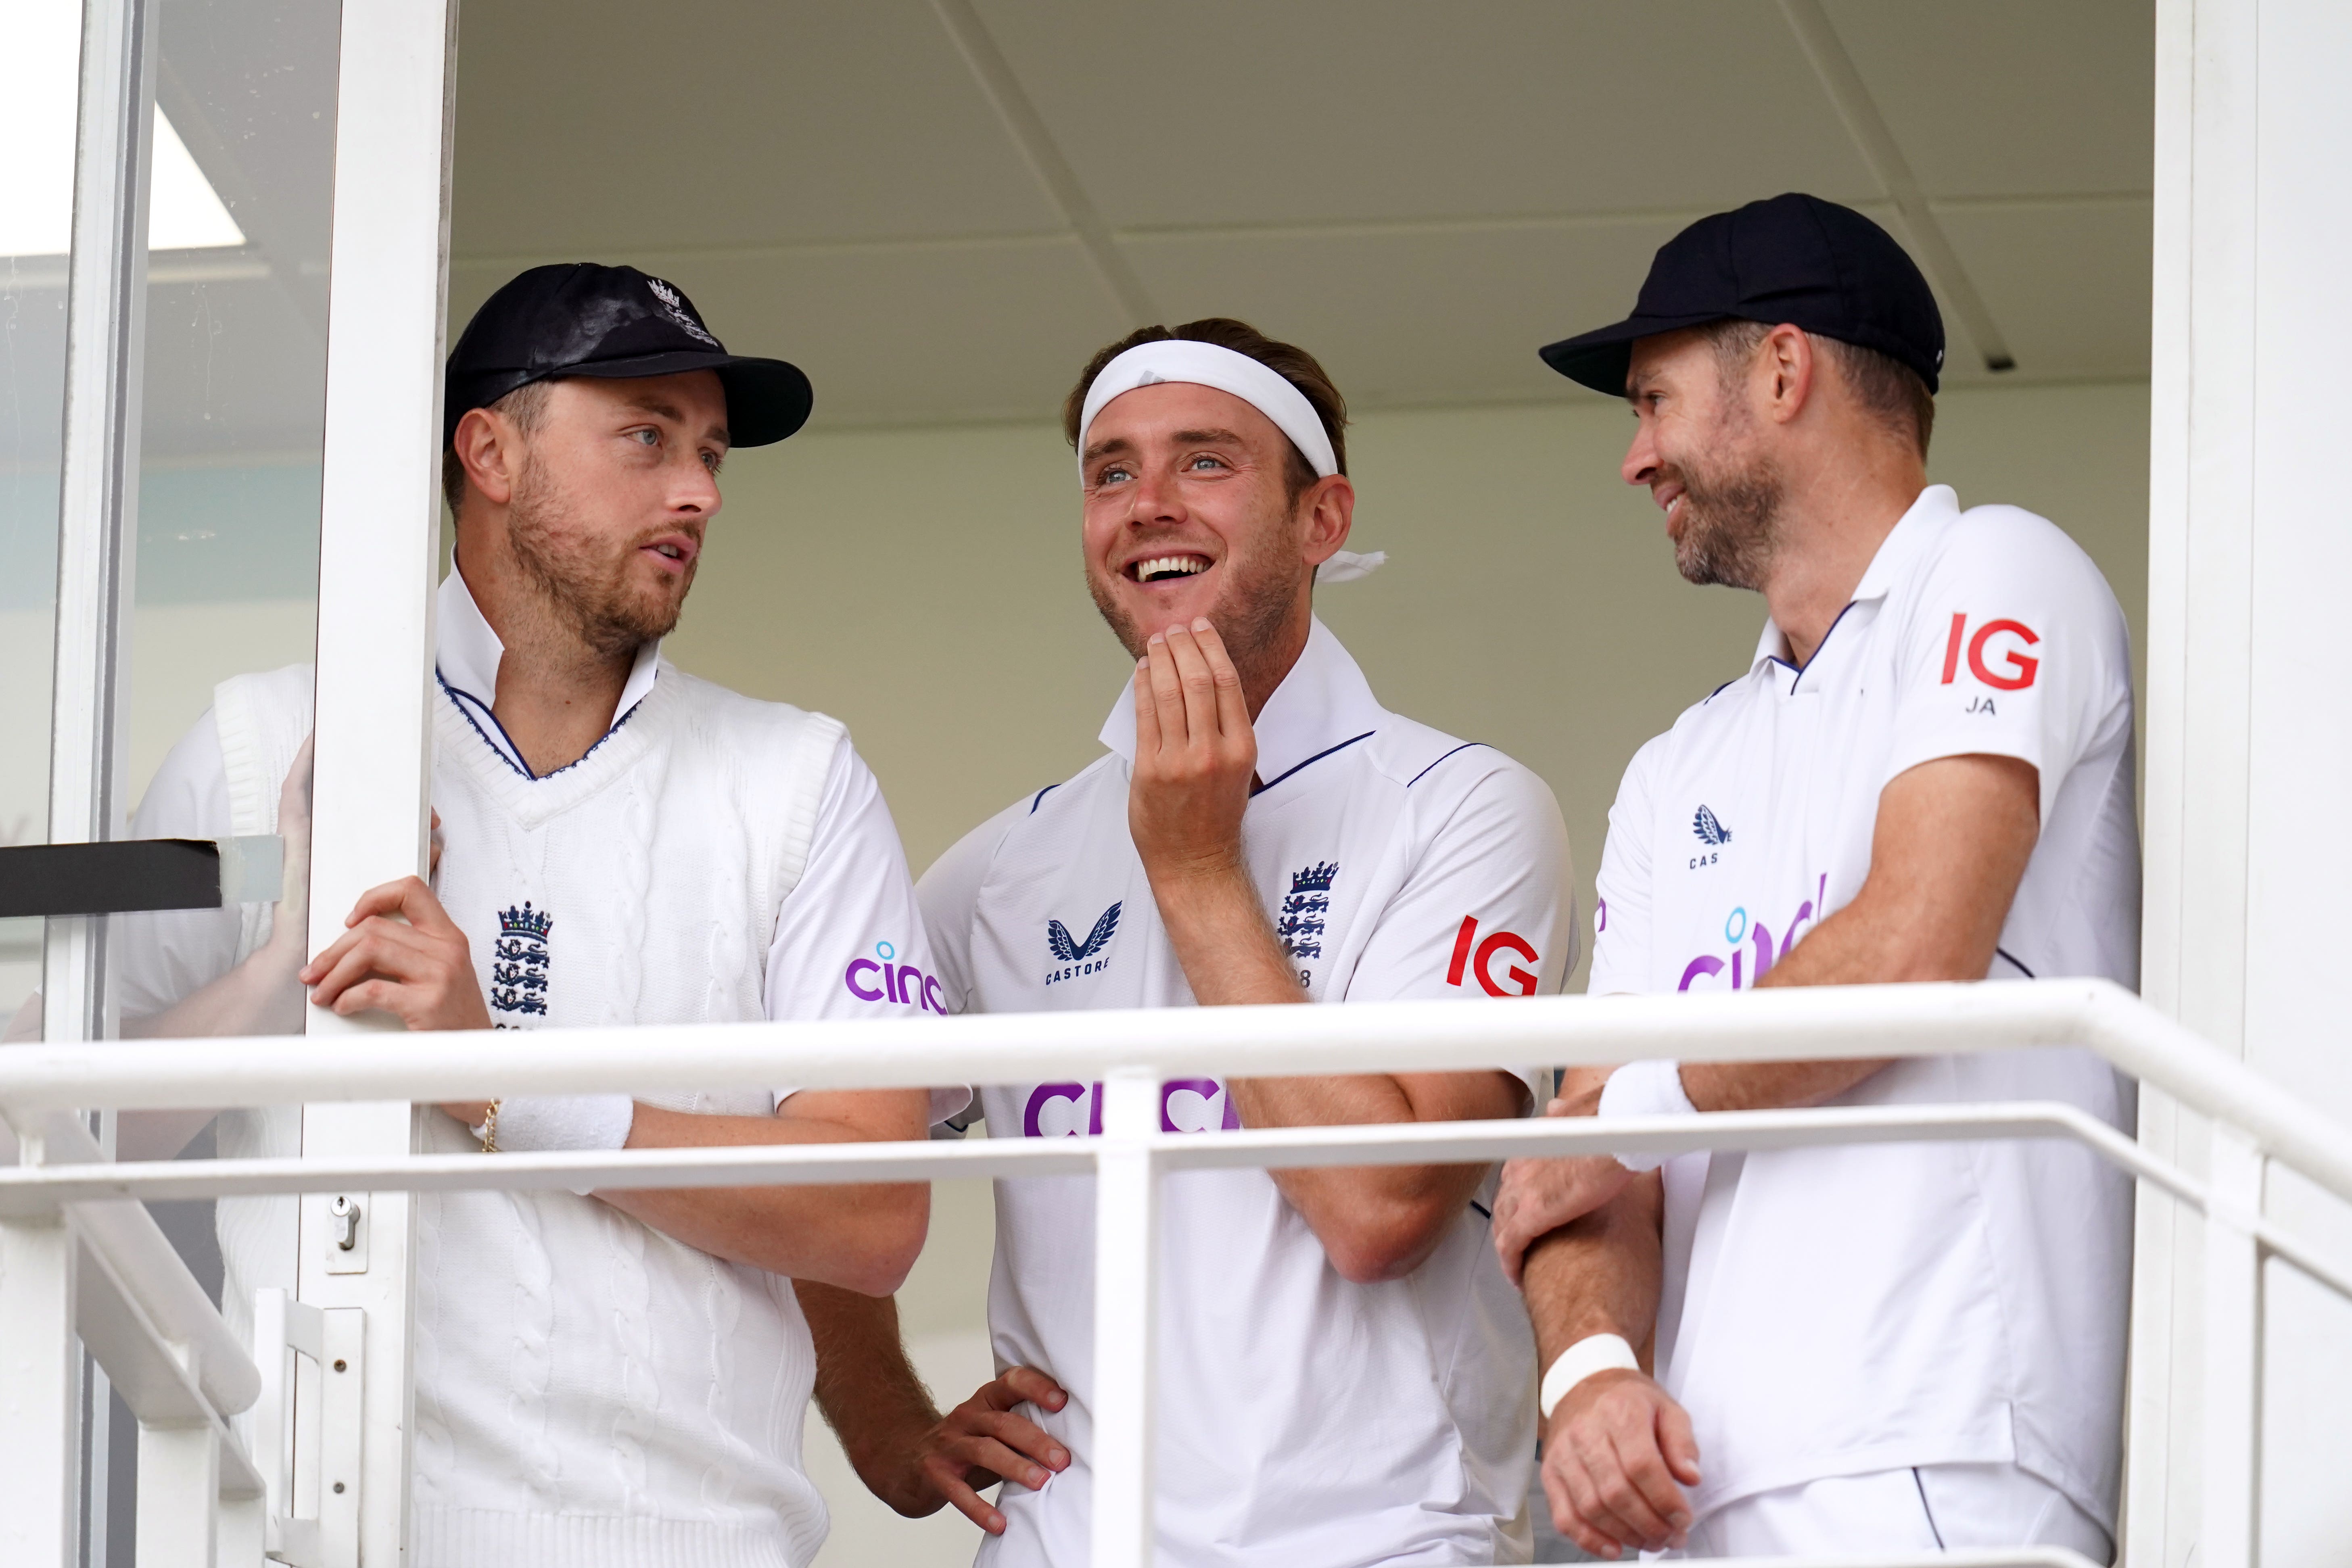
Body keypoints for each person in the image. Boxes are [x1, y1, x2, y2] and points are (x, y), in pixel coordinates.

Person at [110, 263, 962, 1568]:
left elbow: (872, 1214)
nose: (700, 492)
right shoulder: (267, 738)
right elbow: (93, 1134)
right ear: (490, 451)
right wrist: (285, 963)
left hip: (698, 1539)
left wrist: (500, 1083)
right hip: (320, 1529)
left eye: (713, 455)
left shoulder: (797, 777)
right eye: (647, 439)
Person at [796, 318, 1575, 1565]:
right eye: (1111, 472)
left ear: (1323, 519)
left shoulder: (1466, 810)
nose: (1147, 505)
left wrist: (1197, 869)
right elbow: (815, 1166)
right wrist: (889, 1426)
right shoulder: (1002, 870)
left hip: (1382, 1544)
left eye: (1204, 462)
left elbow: (1380, 1210)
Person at [1493, 194, 2137, 1562]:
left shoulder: (1997, 569)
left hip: (1940, 1452)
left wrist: (1624, 1119)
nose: (1635, 457)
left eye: (1654, 401)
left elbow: (1913, 947)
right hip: (1690, 1495)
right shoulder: (1681, 763)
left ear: (1783, 371)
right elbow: (1584, 1153)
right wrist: (1589, 1373)